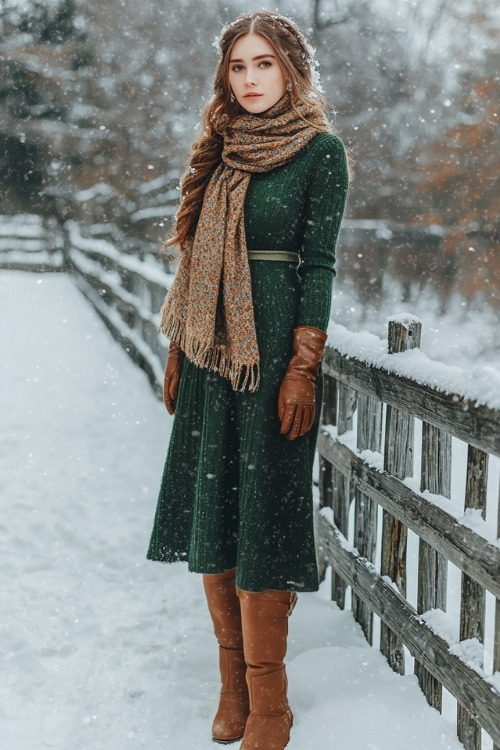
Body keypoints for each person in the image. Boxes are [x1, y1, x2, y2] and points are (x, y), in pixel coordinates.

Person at [147, 10, 349, 749]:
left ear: (291, 68)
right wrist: (179, 346)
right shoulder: (220, 152)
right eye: (239, 66)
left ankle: (271, 702)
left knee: (262, 511)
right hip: (209, 355)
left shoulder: (319, 153)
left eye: (264, 64)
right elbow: (192, 261)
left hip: (268, 358)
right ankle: (231, 684)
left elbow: (318, 264)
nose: (250, 79)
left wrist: (303, 364)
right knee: (214, 508)